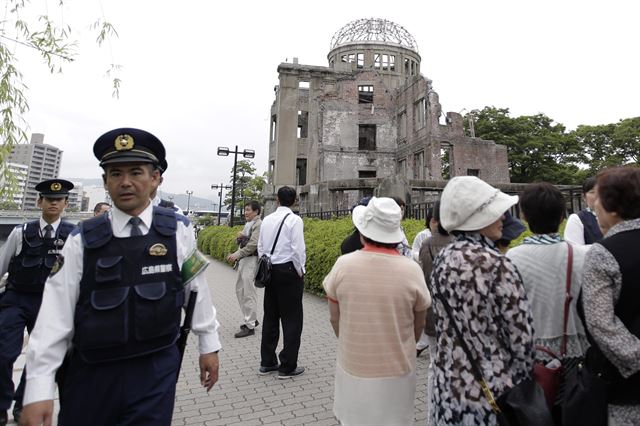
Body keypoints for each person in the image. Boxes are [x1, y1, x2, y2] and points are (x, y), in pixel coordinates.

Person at [19, 128, 221, 426]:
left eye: (136, 172)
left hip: (156, 369)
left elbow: (196, 293)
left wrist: (209, 345)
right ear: (105, 182)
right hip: (92, 372)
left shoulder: (178, 232)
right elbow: (54, 317)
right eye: (115, 174)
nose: (125, 182)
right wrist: (38, 389)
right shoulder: (81, 240)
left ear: (155, 179)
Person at [430, 176, 535, 425]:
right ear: (477, 219)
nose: (503, 218)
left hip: (447, 384)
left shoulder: (443, 259)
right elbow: (522, 341)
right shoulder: (498, 265)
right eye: (496, 212)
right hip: (492, 391)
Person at [323, 197, 430, 425]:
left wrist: (348, 339)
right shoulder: (411, 269)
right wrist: (407, 344)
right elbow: (419, 322)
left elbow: (335, 317)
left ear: (362, 233)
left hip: (353, 364)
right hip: (398, 369)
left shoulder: (343, 265)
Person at [0, 179, 75, 426]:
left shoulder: (72, 236)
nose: (53, 203)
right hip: (16, 299)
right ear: (39, 201)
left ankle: (24, 403)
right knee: (3, 353)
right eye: (49, 199)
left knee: (38, 356)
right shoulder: (20, 232)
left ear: (65, 203)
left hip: (50, 305)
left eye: (58, 199)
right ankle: (1, 405)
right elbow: (2, 265)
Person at [580, 166, 640, 424]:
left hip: (625, 388)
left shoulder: (603, 253)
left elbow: (600, 323)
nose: (595, 210)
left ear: (612, 207)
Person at [506, 183, 589, 360]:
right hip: (578, 352)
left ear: (524, 216)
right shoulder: (584, 255)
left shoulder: (512, 258)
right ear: (562, 217)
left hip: (531, 353)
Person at [257, 186, 306, 379]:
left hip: (270, 271)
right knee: (292, 319)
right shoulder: (295, 220)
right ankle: (287, 366)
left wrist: (267, 263)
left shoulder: (267, 219)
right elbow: (297, 249)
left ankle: (267, 362)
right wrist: (300, 270)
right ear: (295, 201)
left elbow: (261, 247)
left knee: (271, 316)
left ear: (277, 200)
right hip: (288, 271)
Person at [417, 199, 453, 426]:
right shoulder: (464, 244)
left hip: (432, 315)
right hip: (459, 320)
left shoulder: (426, 244)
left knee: (434, 365)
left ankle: (433, 416)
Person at [226, 200, 262, 338]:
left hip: (251, 260)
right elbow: (244, 242)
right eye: (245, 209)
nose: (246, 212)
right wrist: (241, 237)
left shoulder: (258, 224)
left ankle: (250, 325)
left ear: (256, 211)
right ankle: (251, 317)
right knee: (240, 290)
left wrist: (236, 254)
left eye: (248, 210)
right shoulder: (249, 224)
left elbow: (253, 245)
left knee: (248, 292)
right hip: (244, 261)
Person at [564, 176, 603, 245]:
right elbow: (576, 252)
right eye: (592, 192)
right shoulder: (577, 219)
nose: (598, 195)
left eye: (602, 191)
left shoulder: (620, 216)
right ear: (584, 197)